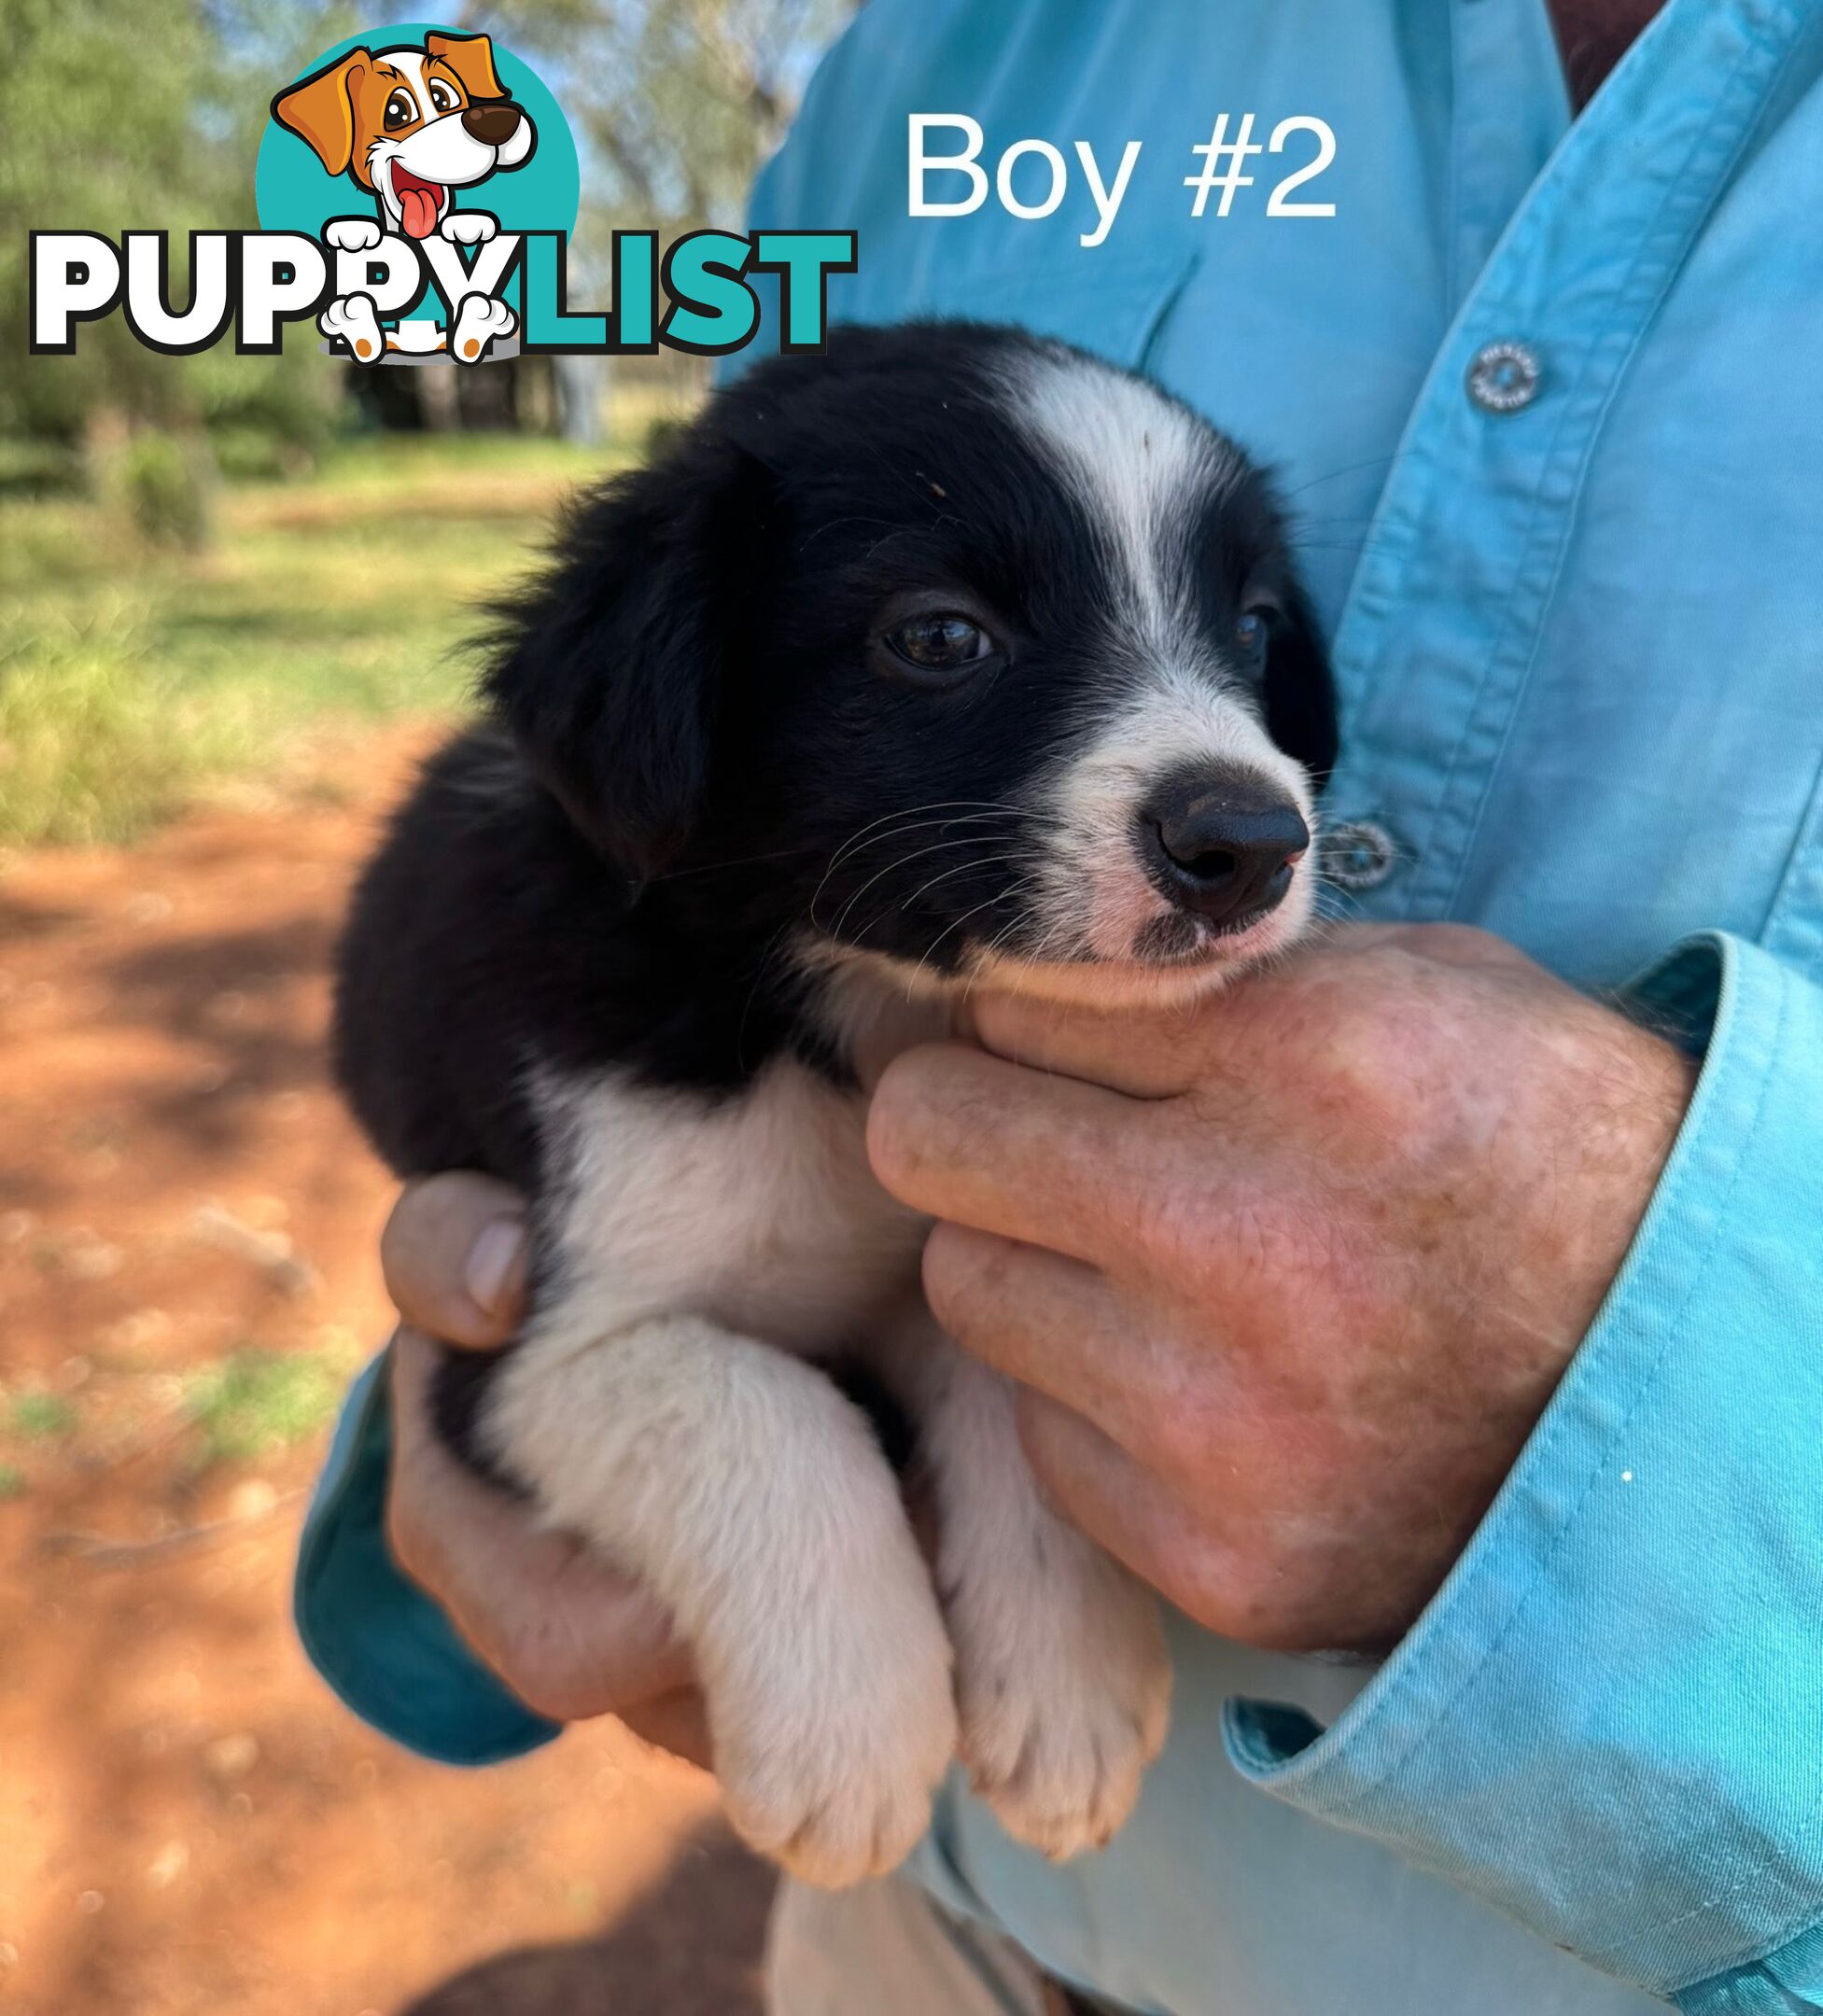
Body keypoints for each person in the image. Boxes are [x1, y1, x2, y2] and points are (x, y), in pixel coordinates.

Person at [294, 2, 1823, 2009]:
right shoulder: (947, 57)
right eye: (944, 634)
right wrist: (598, 1434)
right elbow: (598, 1330)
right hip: (936, 1950)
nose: (1243, 782)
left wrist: (1660, 1400)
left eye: (1238, 632)